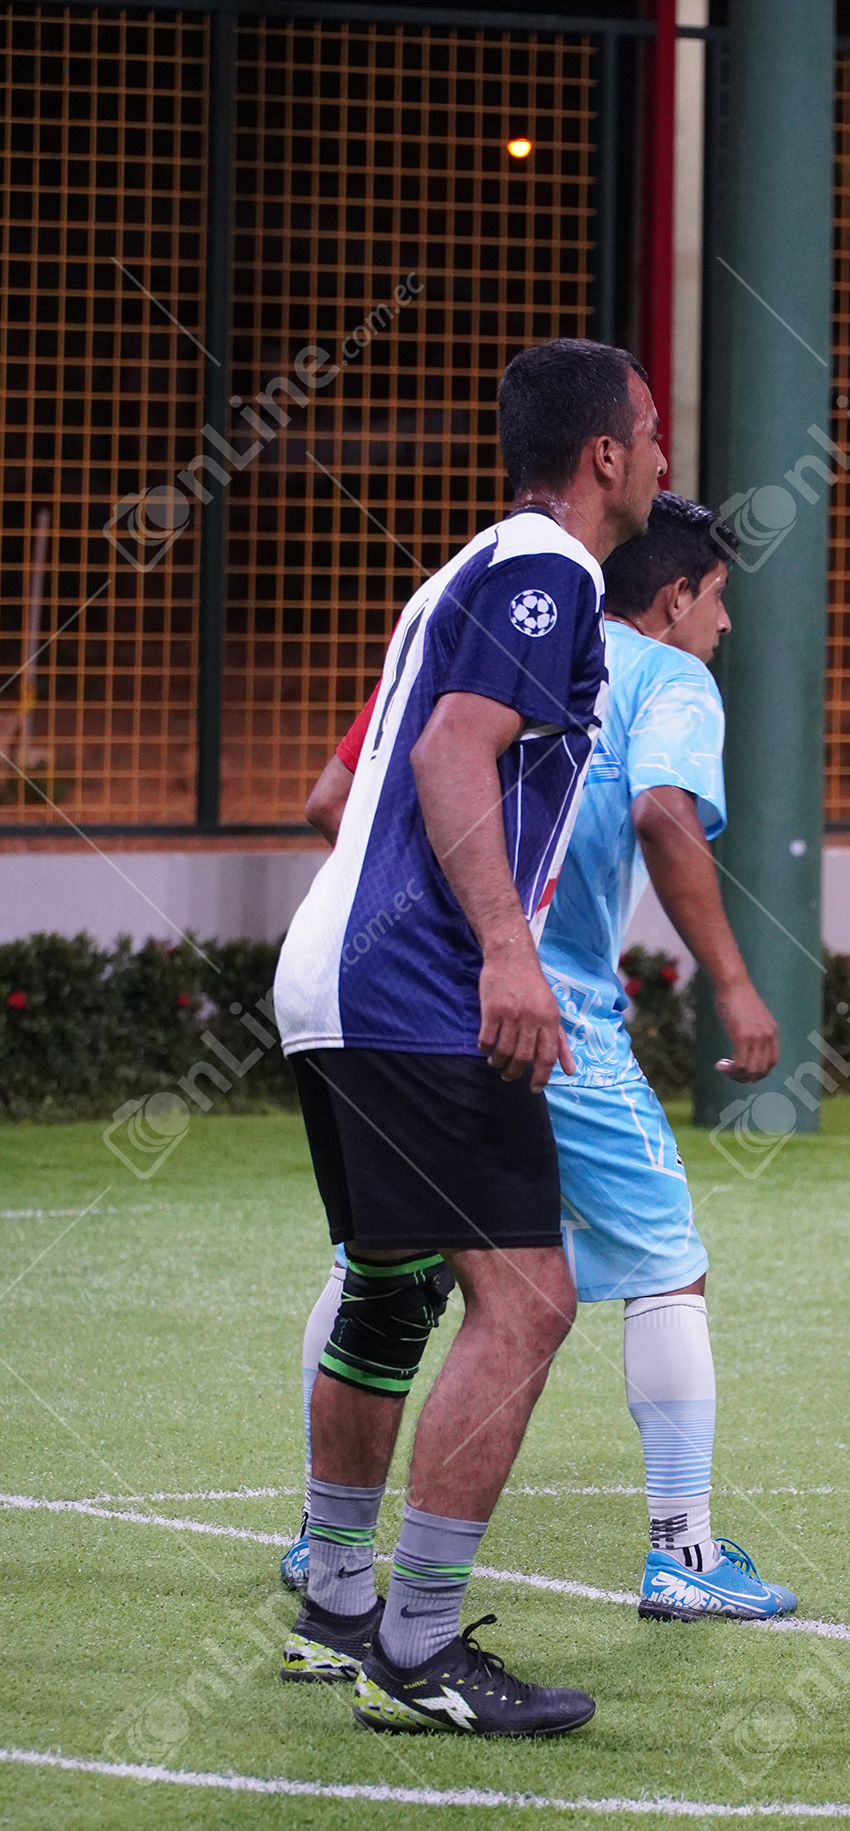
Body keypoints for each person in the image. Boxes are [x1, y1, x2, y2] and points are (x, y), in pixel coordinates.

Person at [280, 492, 797, 1649]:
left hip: (410, 1005)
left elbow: (334, 799)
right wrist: (733, 982)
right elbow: (663, 812)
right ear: (676, 595)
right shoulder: (662, 675)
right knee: (661, 1264)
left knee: (381, 1268)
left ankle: (328, 1549)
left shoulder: (468, 625)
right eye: (720, 599)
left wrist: (416, 916)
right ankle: (683, 1553)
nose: (725, 624)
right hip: (552, 1020)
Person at [272, 337, 665, 1739]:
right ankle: (421, 1646)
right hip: (415, 991)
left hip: (331, 978)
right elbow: (451, 751)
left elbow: (350, 791)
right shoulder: (552, 569)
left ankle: (336, 1604)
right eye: (652, 432)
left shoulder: (467, 568)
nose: (663, 457)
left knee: (391, 1291)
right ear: (605, 453)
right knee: (531, 1302)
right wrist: (505, 945)